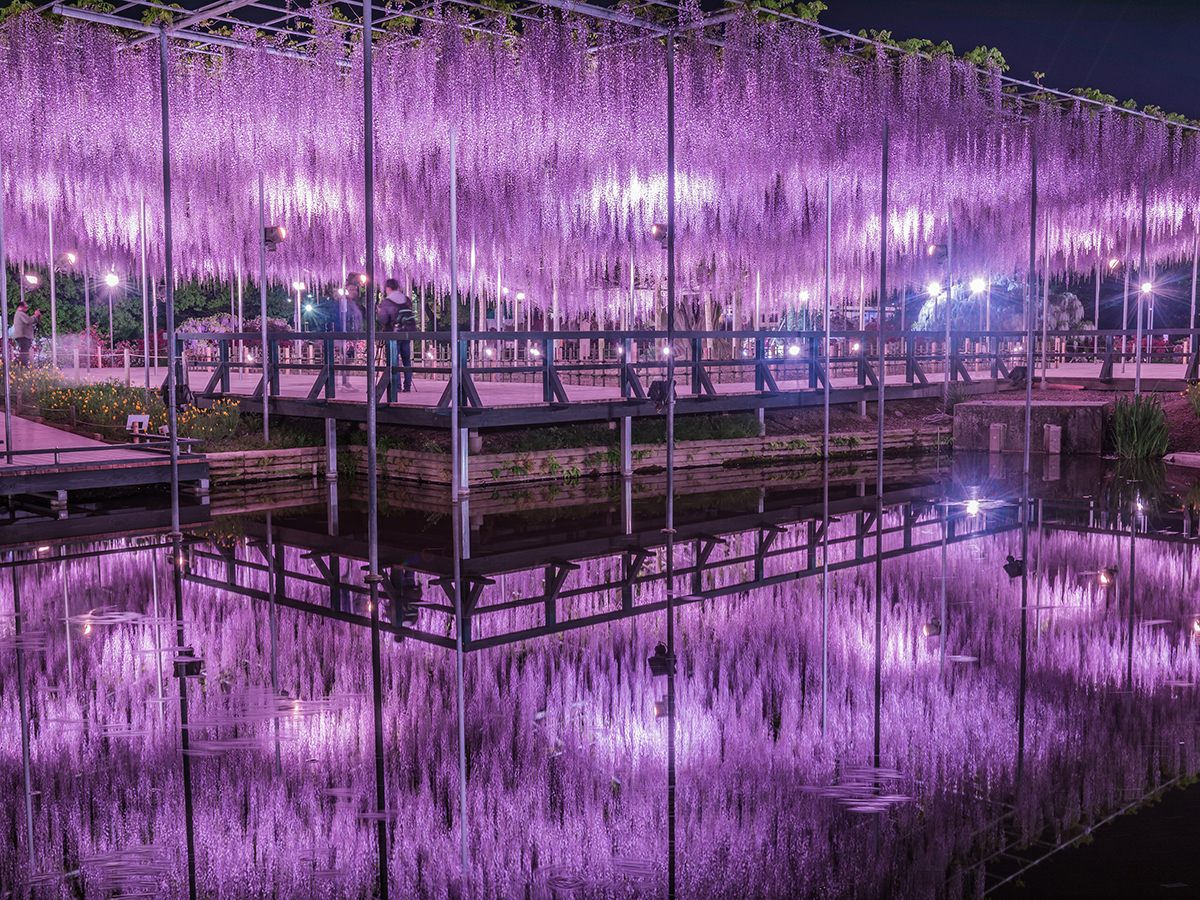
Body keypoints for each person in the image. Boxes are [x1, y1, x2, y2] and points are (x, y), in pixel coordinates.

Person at [385, 278, 418, 392]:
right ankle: (407, 386)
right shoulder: (406, 300)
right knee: (406, 360)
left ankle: (397, 386)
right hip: (407, 333)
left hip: (395, 333)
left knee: (394, 360)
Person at [12, 300, 41, 366]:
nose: (26, 309)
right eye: (25, 307)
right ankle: (22, 366)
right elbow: (28, 321)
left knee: (24, 351)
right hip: (22, 336)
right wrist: (35, 315)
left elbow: (29, 321)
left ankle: (20, 365)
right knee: (24, 352)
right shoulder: (20, 313)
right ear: (20, 307)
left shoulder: (21, 314)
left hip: (23, 335)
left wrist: (37, 318)